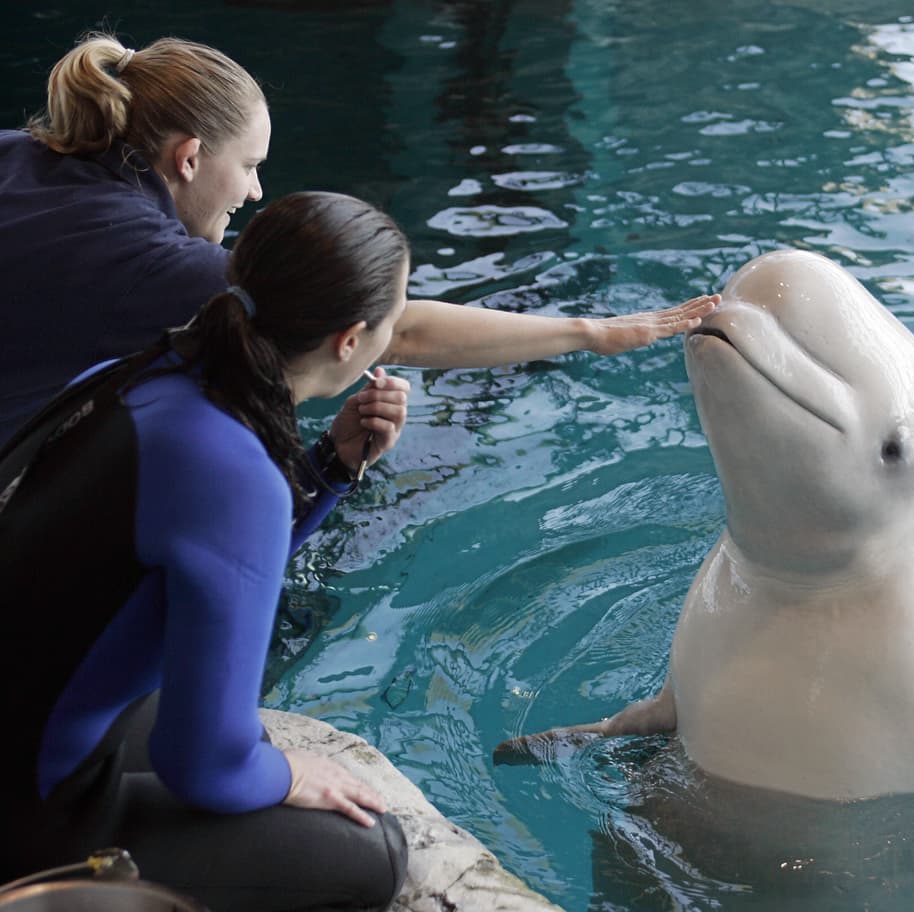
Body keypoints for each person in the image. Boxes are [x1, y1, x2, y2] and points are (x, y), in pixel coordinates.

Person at [0, 191, 417, 911]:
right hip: (29, 815)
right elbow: (204, 766)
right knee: (374, 853)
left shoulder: (140, 372)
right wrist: (290, 775)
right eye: (396, 315)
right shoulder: (236, 473)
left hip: (24, 728)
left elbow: (201, 548)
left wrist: (330, 465)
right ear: (351, 341)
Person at [0, 32, 717, 443]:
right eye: (249, 166)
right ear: (188, 158)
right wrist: (593, 332)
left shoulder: (17, 152)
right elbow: (390, 327)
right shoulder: (151, 262)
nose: (254, 191)